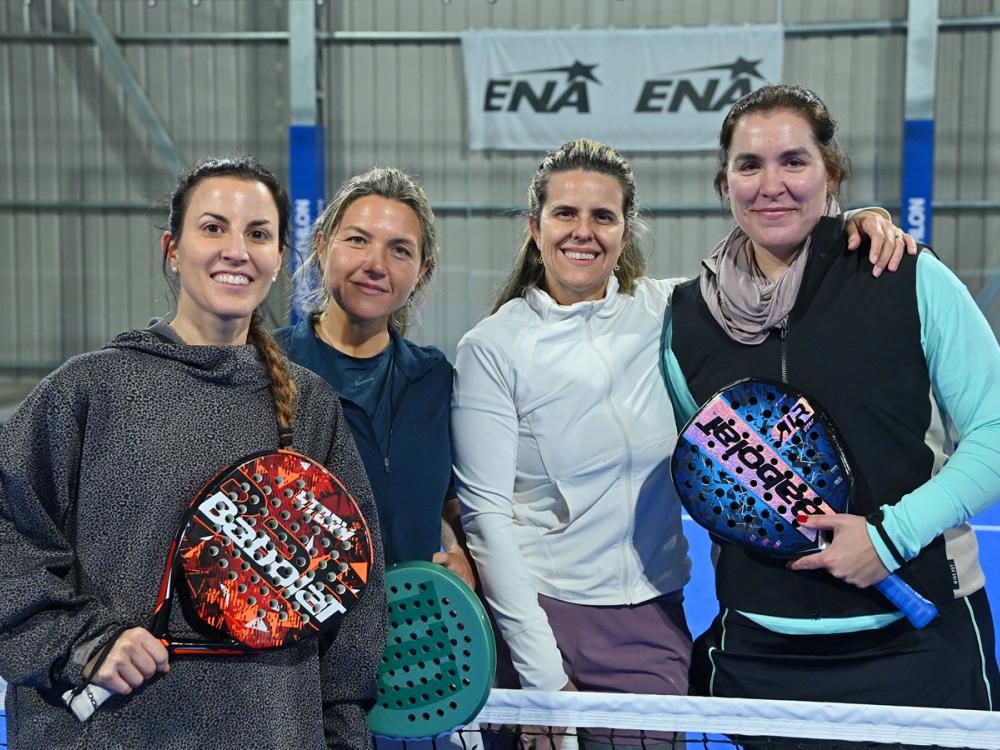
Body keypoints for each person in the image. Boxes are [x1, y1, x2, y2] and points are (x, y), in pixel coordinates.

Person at [451, 137, 913, 719]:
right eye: (565, 213)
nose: (583, 232)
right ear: (535, 227)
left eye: (603, 216)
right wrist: (542, 675)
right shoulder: (492, 348)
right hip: (534, 619)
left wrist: (852, 225)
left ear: (625, 231)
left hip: (652, 617)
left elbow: (776, 272)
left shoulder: (672, 311)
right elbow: (486, 518)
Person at [0, 156, 386, 750]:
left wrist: (340, 734)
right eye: (213, 228)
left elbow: (352, 598)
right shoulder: (89, 389)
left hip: (272, 732)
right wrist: (82, 644)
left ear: (279, 259)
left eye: (258, 234)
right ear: (173, 249)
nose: (236, 250)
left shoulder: (310, 408)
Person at [663, 85, 1000, 729]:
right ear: (725, 184)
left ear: (831, 174)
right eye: (749, 165)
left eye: (794, 161)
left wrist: (890, 538)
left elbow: (996, 428)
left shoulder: (906, 275)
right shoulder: (683, 317)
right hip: (759, 656)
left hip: (918, 645)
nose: (772, 185)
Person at [277, 167, 473, 587]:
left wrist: (460, 551)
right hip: (306, 626)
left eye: (399, 250)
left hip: (414, 621)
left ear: (422, 271)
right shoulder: (269, 367)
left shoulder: (434, 379)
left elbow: (447, 498)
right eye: (357, 240)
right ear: (322, 246)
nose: (375, 264)